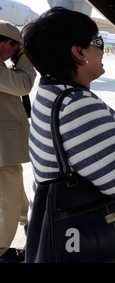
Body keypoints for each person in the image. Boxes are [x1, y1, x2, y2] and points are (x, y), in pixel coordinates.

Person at [22, 7, 115, 262]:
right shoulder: (78, 106)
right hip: (92, 241)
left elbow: (76, 149)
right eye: (97, 42)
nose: (102, 49)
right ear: (78, 52)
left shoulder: (51, 92)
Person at [0, 21, 36, 263]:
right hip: (3, 151)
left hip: (5, 150)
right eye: (15, 49)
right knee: (8, 203)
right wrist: (26, 61)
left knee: (15, 196)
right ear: (5, 43)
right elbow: (22, 85)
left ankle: (30, 229)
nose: (15, 54)